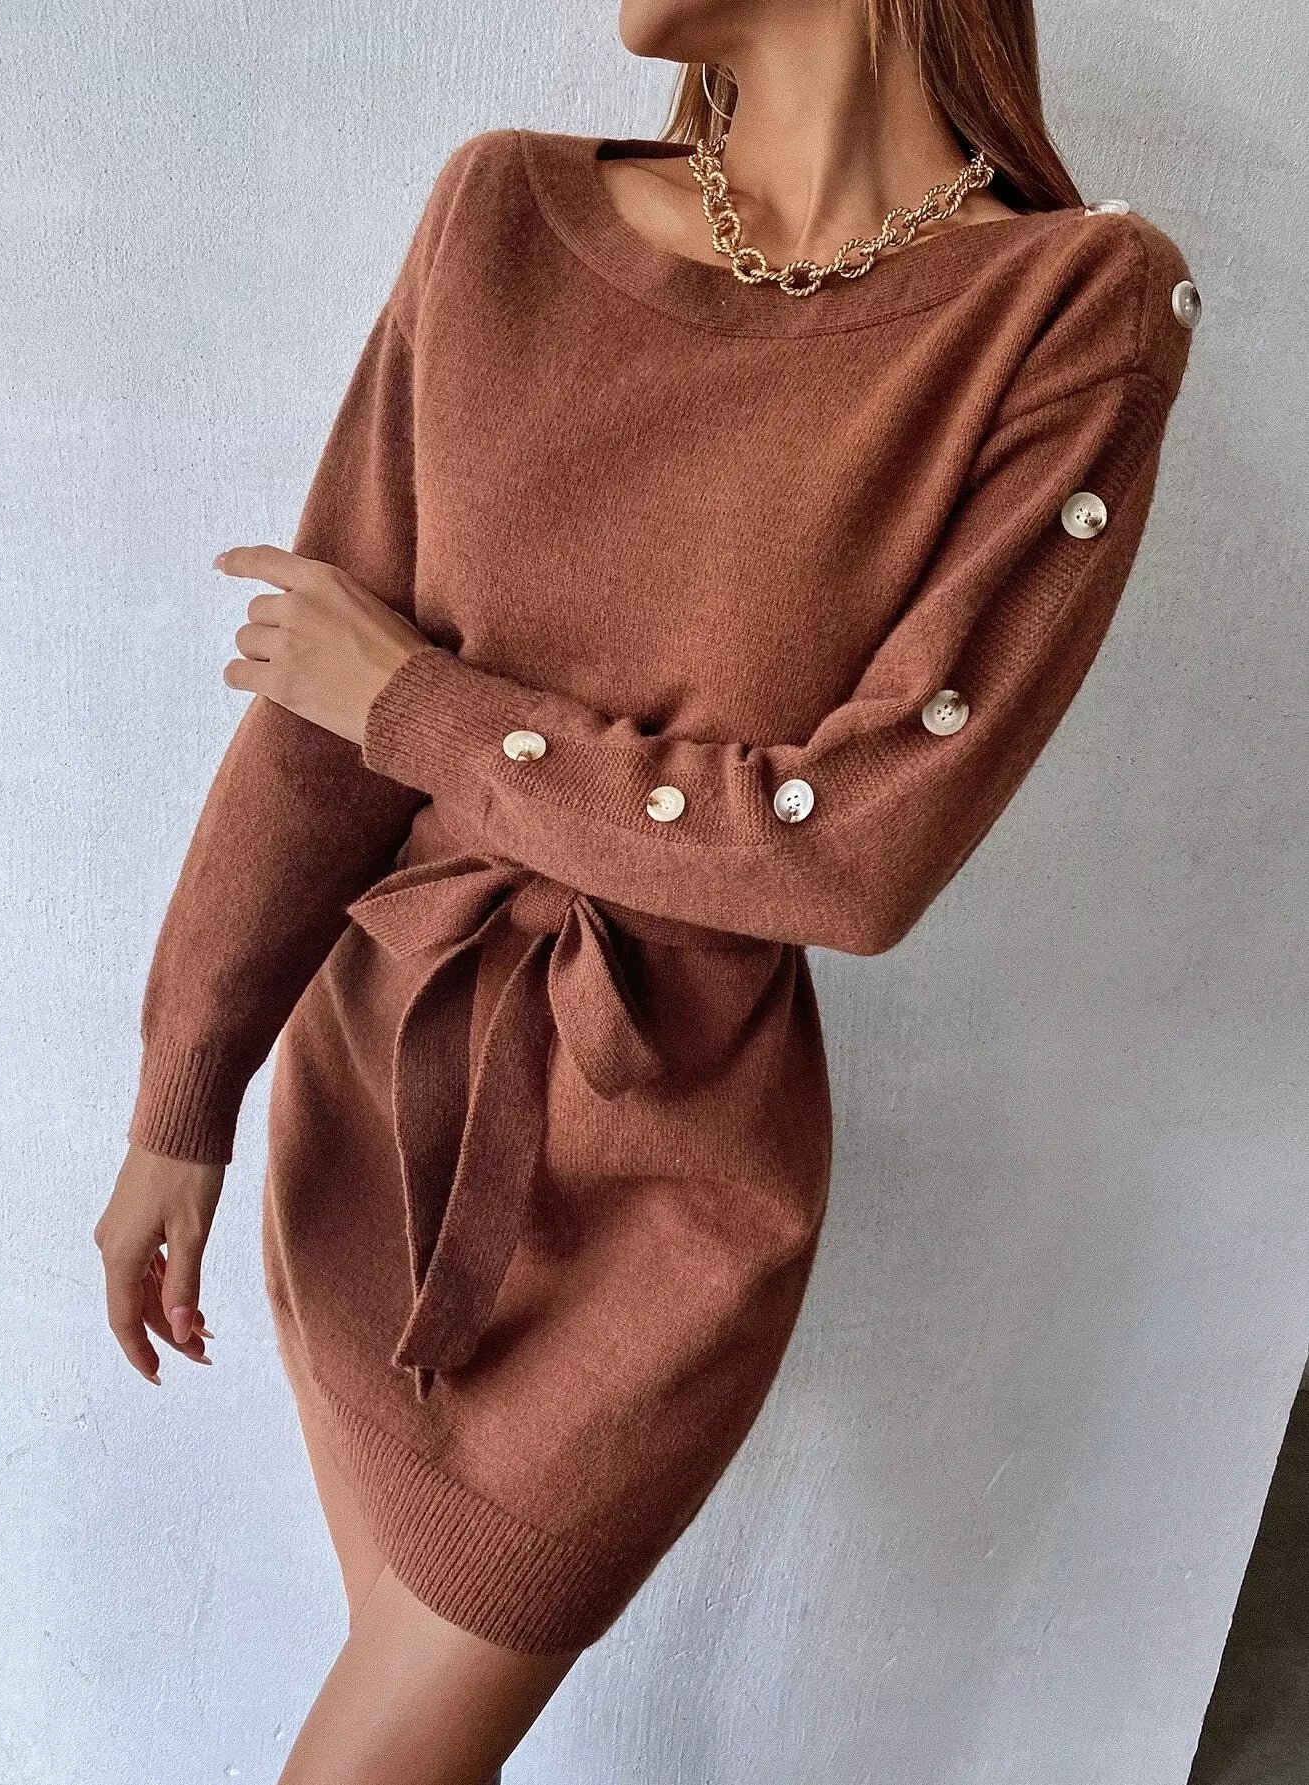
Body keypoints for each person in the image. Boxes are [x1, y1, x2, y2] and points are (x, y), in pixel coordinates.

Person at [91, 1, 1200, 1779]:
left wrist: (422, 707)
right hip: (379, 1102)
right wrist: (186, 1083)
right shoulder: (499, 215)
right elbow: (320, 706)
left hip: (666, 1189)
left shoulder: (1069, 309)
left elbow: (851, 855)